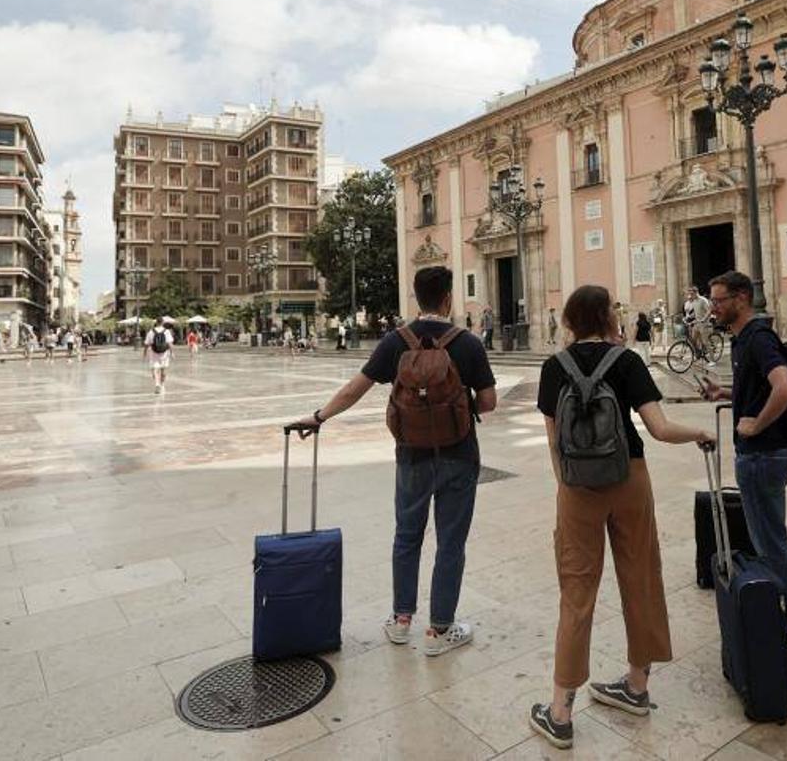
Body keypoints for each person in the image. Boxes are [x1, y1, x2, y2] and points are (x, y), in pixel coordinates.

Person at [528, 284, 714, 750]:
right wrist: (699, 433)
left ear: (570, 320)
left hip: (576, 487)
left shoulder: (554, 368)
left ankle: (560, 712)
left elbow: (554, 442)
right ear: (609, 318)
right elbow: (660, 428)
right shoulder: (626, 362)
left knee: (576, 592)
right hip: (629, 478)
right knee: (641, 576)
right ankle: (636, 686)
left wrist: (567, 488)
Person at [290, 266, 498, 656]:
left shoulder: (396, 342)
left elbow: (357, 388)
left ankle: (402, 620)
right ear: (449, 298)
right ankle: (439, 631)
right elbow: (488, 402)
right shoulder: (467, 343)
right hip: (459, 455)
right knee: (451, 543)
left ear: (416, 298)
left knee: (407, 537)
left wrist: (318, 418)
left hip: (411, 457)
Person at [701, 270, 787, 642]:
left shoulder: (758, 339)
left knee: (767, 540)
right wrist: (727, 395)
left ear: (742, 298)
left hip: (763, 454)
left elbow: (785, 388)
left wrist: (756, 425)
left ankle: (783, 617)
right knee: (773, 532)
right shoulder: (743, 340)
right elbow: (759, 390)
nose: (713, 307)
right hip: (767, 453)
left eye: (718, 300)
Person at [144, 316, 174, 394]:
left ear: (156, 322)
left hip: (154, 352)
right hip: (164, 353)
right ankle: (162, 385)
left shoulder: (151, 331)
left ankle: (157, 384)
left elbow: (147, 344)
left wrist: (144, 352)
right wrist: (172, 352)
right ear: (163, 322)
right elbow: (170, 343)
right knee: (163, 369)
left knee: (154, 369)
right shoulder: (166, 331)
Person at [683, 287, 711, 353]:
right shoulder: (694, 301)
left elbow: (709, 311)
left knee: (705, 342)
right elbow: (695, 313)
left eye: (692, 294)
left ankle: (711, 359)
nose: (691, 296)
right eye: (690, 294)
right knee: (693, 340)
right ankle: (698, 353)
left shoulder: (703, 300)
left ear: (696, 293)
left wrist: (704, 319)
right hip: (697, 323)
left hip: (704, 323)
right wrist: (688, 318)